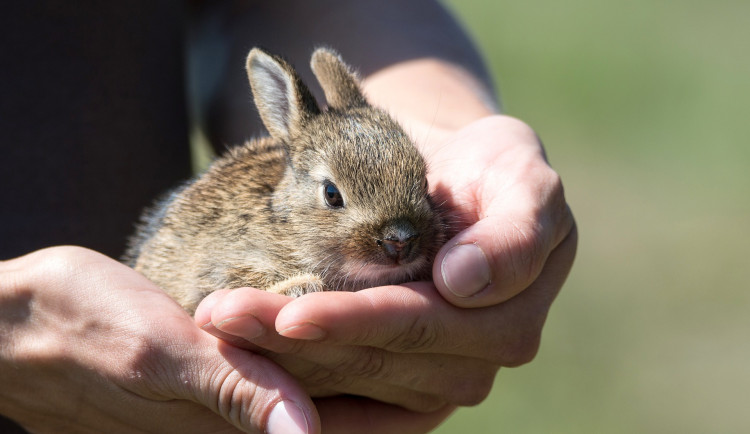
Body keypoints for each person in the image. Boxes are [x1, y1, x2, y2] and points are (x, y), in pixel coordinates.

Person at [0, 1, 577, 433]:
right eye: (335, 199)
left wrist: (456, 129)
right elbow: (206, 286)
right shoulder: (260, 243)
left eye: (417, 190)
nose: (401, 238)